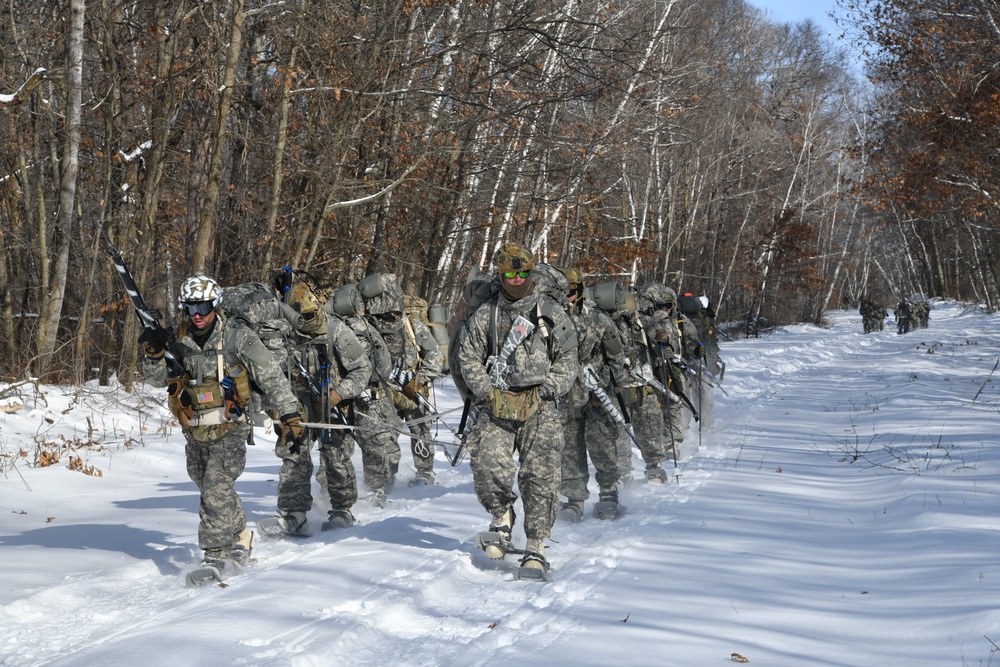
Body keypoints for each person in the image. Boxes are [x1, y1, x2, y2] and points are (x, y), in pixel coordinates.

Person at [139, 274, 304, 574]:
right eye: (191, 308)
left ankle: (214, 554)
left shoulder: (237, 336)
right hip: (196, 427)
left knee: (216, 484)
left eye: (203, 306)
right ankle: (241, 533)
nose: (198, 315)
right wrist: (153, 352)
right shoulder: (179, 338)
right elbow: (155, 379)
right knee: (207, 483)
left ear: (215, 304)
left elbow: (270, 375)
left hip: (231, 424)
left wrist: (290, 412)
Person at [457, 243, 577, 573]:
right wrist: (487, 392)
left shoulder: (549, 311)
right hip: (498, 400)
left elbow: (568, 359)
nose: (515, 279)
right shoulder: (487, 313)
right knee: (486, 462)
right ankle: (501, 514)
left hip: (539, 403)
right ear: (500, 275)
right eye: (508, 273)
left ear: (531, 271)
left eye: (522, 272)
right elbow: (467, 357)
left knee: (541, 473)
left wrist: (545, 391)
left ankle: (536, 544)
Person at [270, 278, 372, 535]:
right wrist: (274, 404)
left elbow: (362, 369)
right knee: (293, 454)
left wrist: (340, 393)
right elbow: (269, 372)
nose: (305, 323)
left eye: (309, 317)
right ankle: (295, 513)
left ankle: (342, 509)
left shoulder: (337, 330)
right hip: (297, 404)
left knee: (335, 456)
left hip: (331, 404)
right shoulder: (284, 333)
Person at [556, 267, 629, 521]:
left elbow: (616, 355)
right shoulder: (550, 317)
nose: (567, 297)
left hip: (597, 393)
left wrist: (609, 382)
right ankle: (574, 498)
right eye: (562, 292)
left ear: (580, 291)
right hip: (566, 394)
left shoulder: (598, 318)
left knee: (601, 444)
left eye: (572, 291)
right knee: (569, 446)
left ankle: (608, 490)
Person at [361, 273, 445, 486]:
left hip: (414, 389)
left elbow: (434, 355)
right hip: (387, 392)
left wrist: (419, 380)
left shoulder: (412, 325)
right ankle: (385, 479)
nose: (391, 317)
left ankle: (425, 473)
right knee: (386, 437)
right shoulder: (369, 328)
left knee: (421, 433)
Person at [641, 282, 701, 460]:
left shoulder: (680, 321)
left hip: (674, 368)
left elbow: (691, 340)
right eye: (661, 306)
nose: (665, 309)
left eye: (668, 306)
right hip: (650, 369)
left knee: (674, 404)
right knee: (653, 409)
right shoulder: (645, 320)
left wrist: (697, 350)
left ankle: (672, 444)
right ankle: (656, 443)